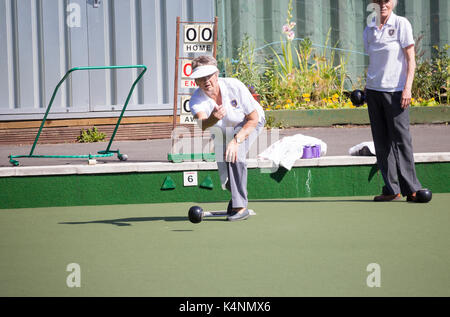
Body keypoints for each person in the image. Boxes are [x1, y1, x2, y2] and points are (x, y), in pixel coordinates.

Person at [189, 55, 265, 221]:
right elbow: (203, 124)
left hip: (250, 121)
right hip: (222, 130)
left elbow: (253, 118)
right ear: (196, 82)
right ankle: (236, 199)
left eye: (209, 76)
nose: (206, 81)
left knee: (234, 155)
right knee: (224, 171)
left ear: (216, 75)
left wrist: (236, 140)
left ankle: (240, 207)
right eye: (201, 78)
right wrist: (213, 119)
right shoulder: (196, 100)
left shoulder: (234, 85)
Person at [363, 0, 423, 202]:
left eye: (386, 1)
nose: (382, 5)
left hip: (396, 92)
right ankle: (392, 189)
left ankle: (412, 188)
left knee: (401, 141)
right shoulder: (369, 28)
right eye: (378, 1)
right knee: (381, 143)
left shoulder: (401, 24)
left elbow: (410, 60)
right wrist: (366, 87)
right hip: (373, 92)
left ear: (394, 2)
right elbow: (373, 61)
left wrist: (408, 88)